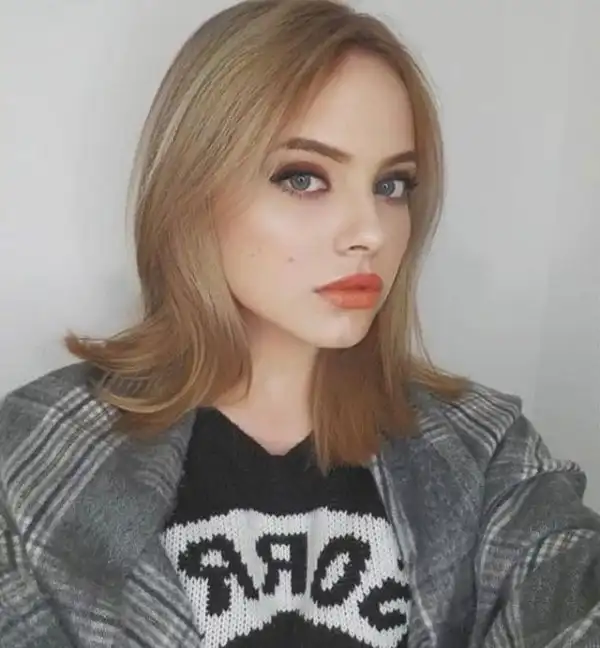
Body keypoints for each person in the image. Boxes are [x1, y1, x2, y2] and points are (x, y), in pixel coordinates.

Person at [1, 0, 599, 646]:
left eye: (392, 185)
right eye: (304, 178)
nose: (371, 232)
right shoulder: (36, 458)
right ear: (193, 191)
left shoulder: (484, 451)